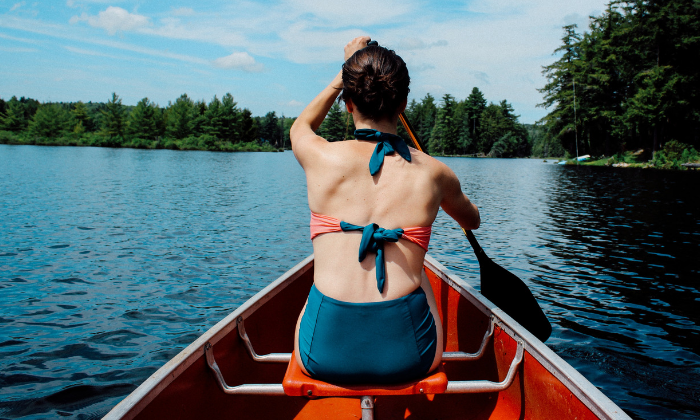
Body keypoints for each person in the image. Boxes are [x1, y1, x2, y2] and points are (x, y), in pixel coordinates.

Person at [290, 36, 480, 384]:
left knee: (322, 276)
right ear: (404, 102)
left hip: (322, 356)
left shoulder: (320, 157)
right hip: (410, 358)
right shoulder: (435, 173)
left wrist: (343, 72)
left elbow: (300, 127)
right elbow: (473, 220)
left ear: (347, 103)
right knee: (420, 273)